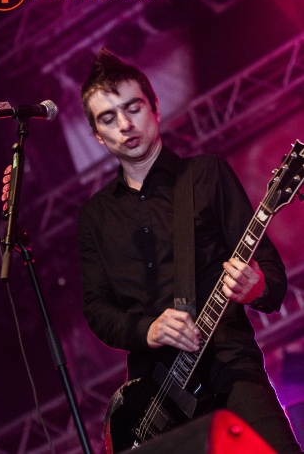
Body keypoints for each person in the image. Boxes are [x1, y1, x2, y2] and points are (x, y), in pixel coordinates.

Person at [78, 48, 302, 453]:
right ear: (97, 134)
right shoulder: (95, 217)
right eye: (108, 118)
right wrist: (148, 329)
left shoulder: (206, 175)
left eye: (134, 108)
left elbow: (272, 278)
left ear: (155, 108)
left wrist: (256, 287)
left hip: (233, 369)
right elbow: (97, 310)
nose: (126, 124)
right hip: (156, 400)